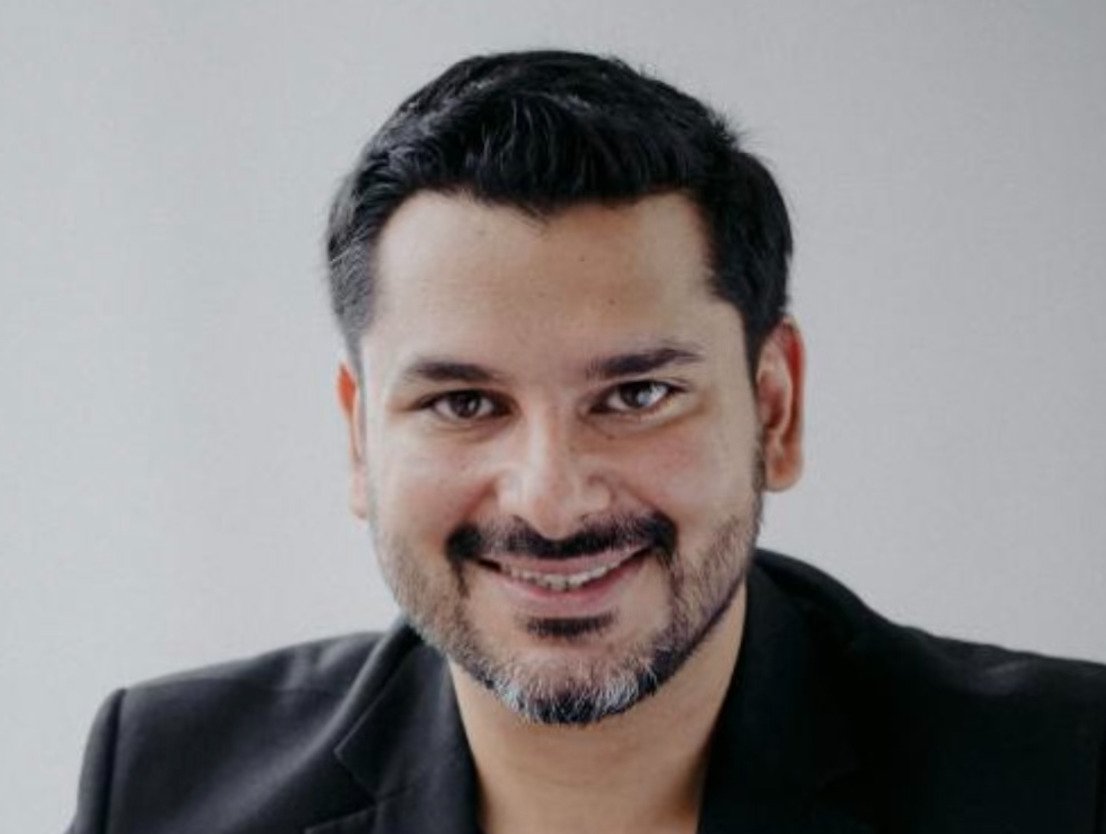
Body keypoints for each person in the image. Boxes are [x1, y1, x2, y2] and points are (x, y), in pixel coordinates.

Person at [68, 49, 1105, 834]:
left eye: (637, 394)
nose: (550, 500)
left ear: (774, 409)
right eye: (463, 403)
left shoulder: (1066, 774)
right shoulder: (163, 787)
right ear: (358, 439)